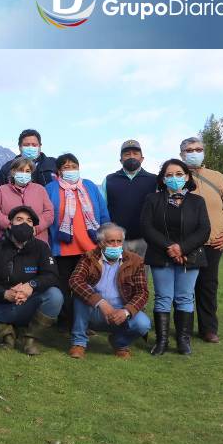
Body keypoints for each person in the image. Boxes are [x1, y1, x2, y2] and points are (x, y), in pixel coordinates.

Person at [0, 206, 63, 355]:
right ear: (10, 224)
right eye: (19, 219)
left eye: (29, 221)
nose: (24, 224)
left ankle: (30, 338)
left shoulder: (42, 248)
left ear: (33, 227)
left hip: (30, 303)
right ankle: (8, 332)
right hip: (1, 305)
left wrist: (31, 286)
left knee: (55, 295)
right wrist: (6, 294)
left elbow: (52, 275)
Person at [141, 159, 210, 356]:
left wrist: (182, 248)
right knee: (163, 297)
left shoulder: (198, 202)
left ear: (187, 176)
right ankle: (161, 341)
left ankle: (183, 341)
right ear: (162, 179)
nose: (174, 178)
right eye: (169, 175)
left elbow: (204, 230)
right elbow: (147, 227)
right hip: (160, 255)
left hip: (191, 257)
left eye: (179, 174)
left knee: (185, 297)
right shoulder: (152, 200)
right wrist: (170, 247)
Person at [180, 136, 223, 343]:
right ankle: (183, 328)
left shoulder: (217, 177)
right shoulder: (176, 176)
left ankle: (208, 329)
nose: (194, 153)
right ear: (181, 154)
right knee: (184, 288)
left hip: (213, 242)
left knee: (208, 286)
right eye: (189, 150)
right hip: (186, 243)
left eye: (198, 149)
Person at [67, 223, 152, 359]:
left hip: (121, 311)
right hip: (94, 310)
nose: (116, 245)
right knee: (81, 294)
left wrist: (126, 311)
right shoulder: (89, 258)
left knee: (144, 324)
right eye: (111, 241)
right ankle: (79, 343)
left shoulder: (135, 261)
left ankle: (120, 343)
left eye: (119, 241)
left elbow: (143, 292)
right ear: (101, 243)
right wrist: (100, 301)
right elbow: (75, 281)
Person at [45, 153, 109, 329]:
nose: (71, 170)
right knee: (64, 287)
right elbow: (46, 216)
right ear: (59, 171)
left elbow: (103, 213)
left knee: (86, 287)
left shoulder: (89, 186)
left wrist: (106, 238)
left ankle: (84, 324)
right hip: (62, 249)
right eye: (66, 167)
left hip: (89, 247)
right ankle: (66, 322)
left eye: (74, 166)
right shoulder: (50, 188)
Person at [102, 140, 157, 258]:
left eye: (135, 153)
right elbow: (103, 209)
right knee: (117, 274)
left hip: (145, 240)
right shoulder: (109, 180)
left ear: (142, 158)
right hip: (117, 241)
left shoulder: (154, 180)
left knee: (141, 275)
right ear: (121, 159)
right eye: (127, 154)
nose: (131, 156)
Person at [0, 157, 54, 244]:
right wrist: (12, 226)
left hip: (37, 242)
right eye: (20, 170)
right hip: (8, 241)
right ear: (13, 172)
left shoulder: (40, 190)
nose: (24, 173)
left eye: (27, 171)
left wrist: (35, 228)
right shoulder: (1, 190)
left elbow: (49, 213)